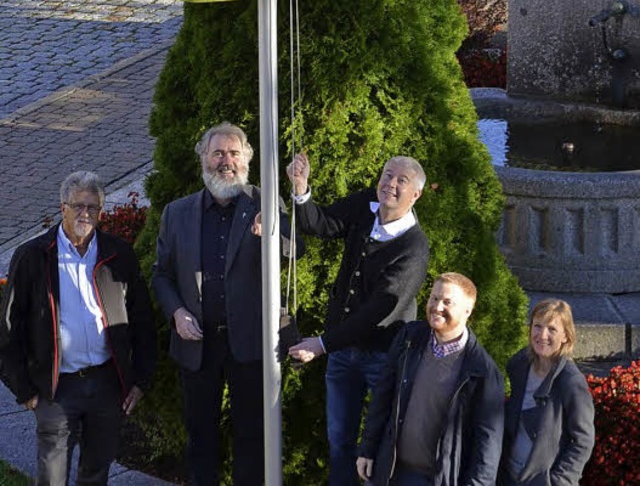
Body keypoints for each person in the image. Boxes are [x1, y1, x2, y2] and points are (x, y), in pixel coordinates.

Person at [153, 121, 296, 486]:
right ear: (204, 158)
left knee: (251, 437)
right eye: (217, 153)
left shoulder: (265, 203)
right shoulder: (177, 213)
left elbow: (295, 254)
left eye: (234, 153)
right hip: (197, 343)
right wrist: (177, 312)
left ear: (247, 159)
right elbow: (162, 275)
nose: (225, 161)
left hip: (249, 344)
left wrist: (274, 236)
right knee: (200, 438)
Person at [0, 169, 156, 486]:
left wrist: (138, 379)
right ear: (63, 209)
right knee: (52, 477)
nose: (85, 213)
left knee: (96, 473)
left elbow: (142, 319)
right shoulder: (33, 256)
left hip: (106, 384)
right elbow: (8, 327)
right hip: (56, 387)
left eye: (92, 207)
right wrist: (25, 391)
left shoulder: (117, 253)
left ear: (101, 211)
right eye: (78, 206)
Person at [286, 151, 430, 486]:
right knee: (340, 442)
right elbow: (320, 224)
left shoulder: (413, 249)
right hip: (341, 356)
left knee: (381, 445)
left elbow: (377, 312)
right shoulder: (367, 205)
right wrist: (301, 189)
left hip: (382, 357)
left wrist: (323, 344)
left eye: (401, 180)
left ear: (416, 195)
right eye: (387, 174)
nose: (390, 184)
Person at [356, 272, 504, 486]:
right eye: (434, 298)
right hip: (388, 470)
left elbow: (487, 444)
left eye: (447, 302)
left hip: (435, 479)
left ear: (467, 310)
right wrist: (368, 449)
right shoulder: (409, 338)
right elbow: (383, 396)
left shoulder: (482, 371)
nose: (437, 307)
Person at [499, 297, 595, 486]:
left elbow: (583, 440)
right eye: (537, 326)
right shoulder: (518, 365)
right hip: (507, 477)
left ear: (566, 336)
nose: (542, 335)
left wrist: (560, 481)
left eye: (552, 329)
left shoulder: (571, 382)